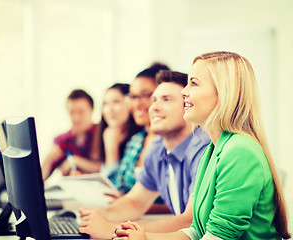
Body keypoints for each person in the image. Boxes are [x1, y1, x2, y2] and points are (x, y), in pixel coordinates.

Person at [113, 51, 291, 240]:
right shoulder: (212, 150)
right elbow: (197, 231)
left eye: (194, 83)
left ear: (223, 93)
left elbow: (218, 237)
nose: (184, 92)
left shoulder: (240, 151)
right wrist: (144, 237)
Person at [78, 70, 211, 239]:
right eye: (154, 99)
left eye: (166, 99)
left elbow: (191, 221)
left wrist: (112, 229)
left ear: (188, 104)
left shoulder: (203, 147)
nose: (153, 107)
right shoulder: (158, 147)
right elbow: (135, 202)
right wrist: (99, 215)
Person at [110, 62, 170, 194]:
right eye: (132, 97)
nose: (136, 104)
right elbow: (118, 187)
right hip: (128, 213)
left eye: (144, 95)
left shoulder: (172, 143)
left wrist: (126, 203)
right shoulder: (135, 141)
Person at [41, 89, 96, 181]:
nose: (76, 118)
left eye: (81, 112)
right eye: (72, 112)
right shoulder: (61, 141)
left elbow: (107, 167)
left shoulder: (102, 135)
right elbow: (40, 179)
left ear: (91, 111)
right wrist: (49, 158)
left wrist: (76, 161)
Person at [94, 83, 143, 177]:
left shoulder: (140, 139)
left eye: (116, 102)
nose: (110, 109)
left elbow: (113, 185)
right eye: (105, 104)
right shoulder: (110, 133)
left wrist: (111, 148)